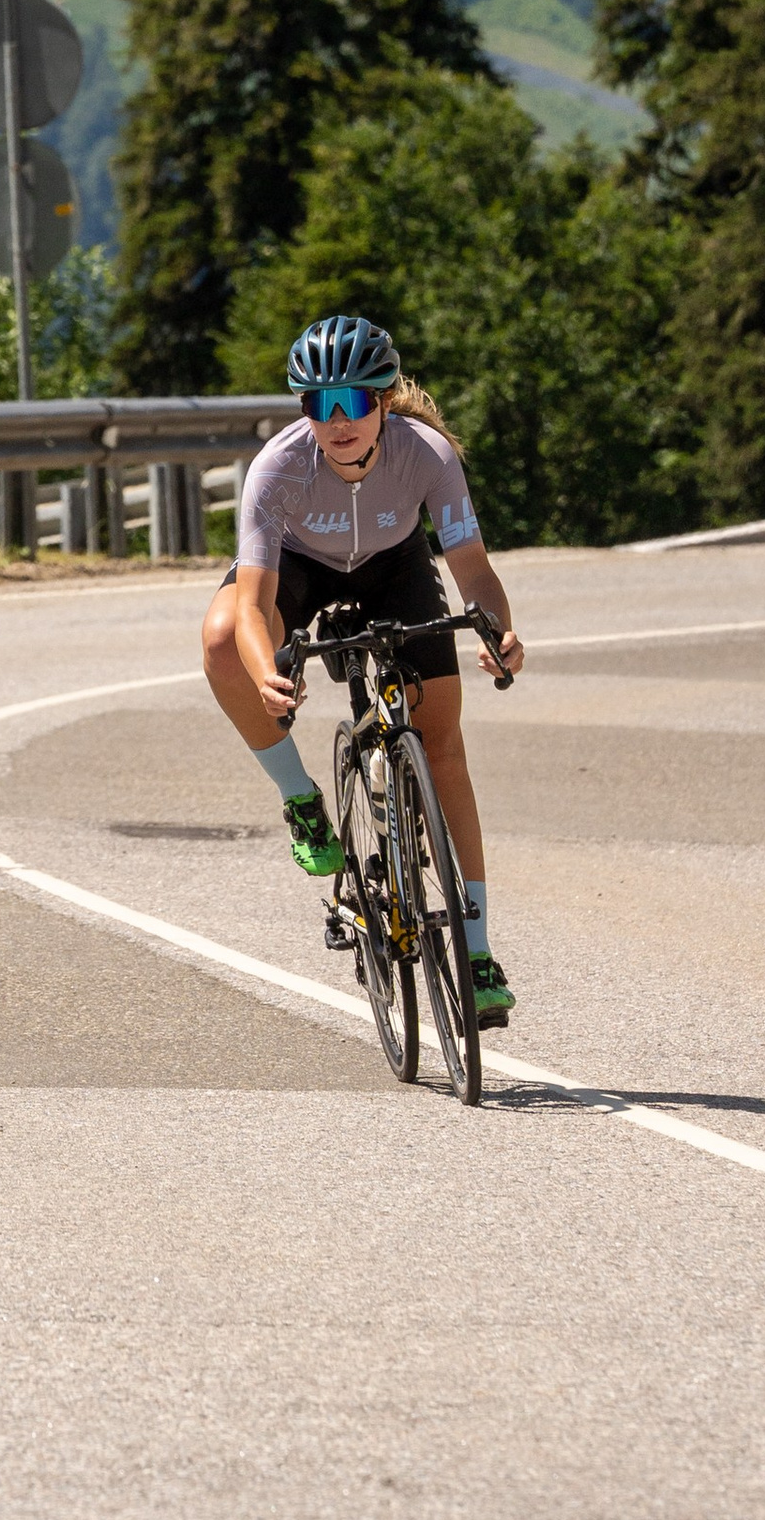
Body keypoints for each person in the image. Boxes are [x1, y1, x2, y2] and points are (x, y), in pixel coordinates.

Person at [202, 311, 525, 1029]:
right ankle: (302, 800)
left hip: (394, 569)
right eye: (320, 405)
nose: (338, 421)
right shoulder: (278, 469)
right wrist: (267, 673)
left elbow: (473, 569)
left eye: (353, 402)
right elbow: (254, 606)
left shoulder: (429, 454)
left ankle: (475, 951)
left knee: (442, 750)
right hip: (298, 569)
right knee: (223, 637)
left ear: (381, 401)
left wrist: (498, 631)